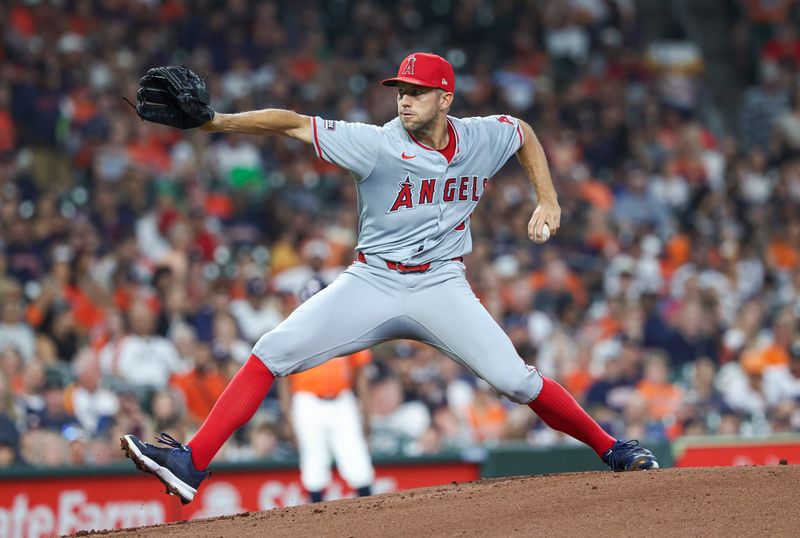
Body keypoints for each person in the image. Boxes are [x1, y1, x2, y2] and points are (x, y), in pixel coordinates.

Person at [121, 53, 658, 505]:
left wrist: (549, 196)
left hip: (442, 285)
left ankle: (612, 449)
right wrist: (216, 122)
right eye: (401, 90)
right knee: (272, 349)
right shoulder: (376, 143)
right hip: (374, 281)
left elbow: (522, 134)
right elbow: (291, 122)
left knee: (516, 381)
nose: (405, 100)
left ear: (445, 99)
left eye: (418, 92)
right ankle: (191, 463)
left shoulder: (480, 137)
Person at [278, 277, 375, 503]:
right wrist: (288, 416)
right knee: (314, 465)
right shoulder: (291, 330)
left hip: (342, 401)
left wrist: (367, 412)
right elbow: (283, 378)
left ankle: (373, 519)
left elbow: (360, 374)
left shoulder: (347, 328)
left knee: (358, 462)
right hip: (307, 402)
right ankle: (316, 523)